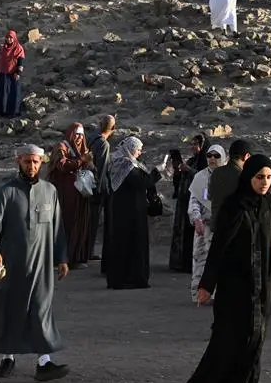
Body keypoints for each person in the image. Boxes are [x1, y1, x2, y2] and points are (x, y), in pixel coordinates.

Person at [189, 154, 271, 383]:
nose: (265, 182)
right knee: (236, 337)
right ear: (249, 177)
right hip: (235, 284)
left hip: (263, 283)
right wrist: (207, 285)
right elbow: (219, 247)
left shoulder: (270, 205)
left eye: (269, 177)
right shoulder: (234, 207)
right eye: (260, 177)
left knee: (257, 337)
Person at [0, 145, 70, 380]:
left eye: (35, 162)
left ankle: (44, 363)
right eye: (27, 162)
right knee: (10, 309)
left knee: (41, 310)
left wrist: (62, 257)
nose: (31, 166)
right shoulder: (6, 192)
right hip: (12, 263)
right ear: (18, 162)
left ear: (41, 163)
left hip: (42, 264)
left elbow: (57, 226)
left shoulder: (50, 191)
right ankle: (7, 358)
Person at [103, 136, 163, 290]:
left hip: (130, 210)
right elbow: (141, 182)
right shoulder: (124, 164)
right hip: (129, 212)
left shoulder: (127, 162)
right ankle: (127, 279)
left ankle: (130, 278)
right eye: (138, 149)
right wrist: (157, 172)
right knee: (128, 243)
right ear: (130, 148)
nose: (140, 152)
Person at [49, 124, 95, 272]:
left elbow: (90, 166)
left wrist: (89, 163)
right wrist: (81, 160)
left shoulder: (84, 150)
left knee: (79, 224)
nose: (79, 137)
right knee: (66, 223)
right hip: (66, 194)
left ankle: (77, 257)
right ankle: (63, 258)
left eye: (81, 134)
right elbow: (62, 165)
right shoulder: (62, 147)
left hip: (81, 194)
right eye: (76, 134)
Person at [187, 144, 227, 298]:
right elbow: (194, 200)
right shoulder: (200, 177)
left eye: (216, 156)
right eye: (209, 156)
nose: (212, 159)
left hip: (222, 226)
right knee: (200, 259)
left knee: (220, 261)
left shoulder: (229, 177)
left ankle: (219, 295)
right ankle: (199, 293)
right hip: (204, 226)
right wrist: (196, 219)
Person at [166, 135, 207, 273]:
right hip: (185, 201)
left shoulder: (205, 161)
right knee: (184, 232)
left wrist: (189, 170)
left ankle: (192, 263)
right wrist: (177, 170)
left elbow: (205, 178)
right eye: (192, 144)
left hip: (197, 203)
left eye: (195, 144)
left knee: (193, 232)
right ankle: (181, 262)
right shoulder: (191, 160)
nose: (193, 147)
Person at [85, 115, 116, 261]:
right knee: (93, 221)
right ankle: (88, 252)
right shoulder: (104, 144)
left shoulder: (90, 138)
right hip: (96, 189)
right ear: (113, 128)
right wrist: (101, 191)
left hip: (85, 184)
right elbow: (101, 170)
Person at [0, 30, 25, 119]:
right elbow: (0, 60)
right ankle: (2, 111)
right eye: (7, 37)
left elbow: (20, 62)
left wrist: (18, 73)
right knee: (2, 93)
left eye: (11, 38)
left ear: (14, 38)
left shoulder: (18, 48)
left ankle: (13, 112)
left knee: (13, 93)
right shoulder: (3, 48)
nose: (9, 39)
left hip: (13, 75)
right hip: (3, 74)